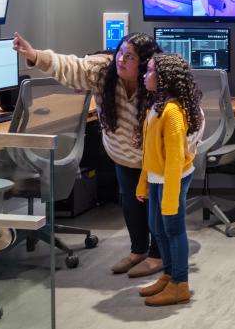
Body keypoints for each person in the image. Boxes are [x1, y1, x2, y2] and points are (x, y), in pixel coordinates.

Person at [12, 31, 165, 278]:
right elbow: (72, 66)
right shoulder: (103, 71)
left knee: (155, 208)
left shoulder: (156, 77)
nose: (121, 60)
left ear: (144, 62)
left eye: (130, 57)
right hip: (122, 155)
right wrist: (35, 56)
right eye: (121, 53)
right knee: (130, 203)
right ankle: (138, 251)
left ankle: (158, 255)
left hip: (155, 159)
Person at [135, 54, 202, 307]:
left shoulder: (172, 112)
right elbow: (149, 153)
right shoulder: (156, 107)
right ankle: (168, 275)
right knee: (156, 227)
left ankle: (180, 284)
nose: (144, 75)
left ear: (164, 79)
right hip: (156, 177)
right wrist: (143, 182)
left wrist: (171, 199)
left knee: (173, 230)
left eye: (150, 71)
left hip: (171, 179)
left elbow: (174, 160)